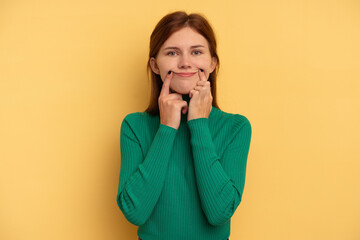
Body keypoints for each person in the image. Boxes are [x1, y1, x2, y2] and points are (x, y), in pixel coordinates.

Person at [116, 11, 252, 240]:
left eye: (196, 52)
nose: (185, 62)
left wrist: (198, 124)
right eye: (172, 53)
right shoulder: (134, 126)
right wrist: (166, 129)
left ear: (212, 63)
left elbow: (219, 213)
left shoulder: (235, 127)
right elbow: (134, 212)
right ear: (155, 65)